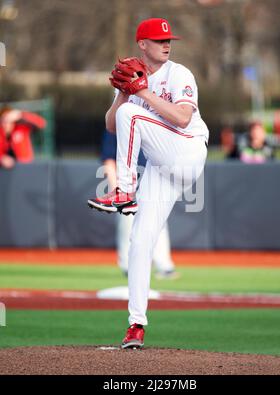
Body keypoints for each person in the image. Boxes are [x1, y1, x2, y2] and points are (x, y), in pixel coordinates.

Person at [88, 18, 209, 349]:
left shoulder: (179, 74)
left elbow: (183, 118)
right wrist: (122, 96)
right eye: (158, 40)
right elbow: (111, 125)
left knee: (133, 114)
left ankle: (124, 191)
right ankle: (136, 325)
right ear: (142, 44)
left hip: (187, 151)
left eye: (169, 39)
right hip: (159, 166)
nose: (166, 44)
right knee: (140, 241)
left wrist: (139, 94)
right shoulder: (131, 73)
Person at [101, 129, 178, 279]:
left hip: (153, 179)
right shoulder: (116, 125)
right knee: (128, 225)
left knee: (159, 222)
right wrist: (116, 188)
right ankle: (129, 266)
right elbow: (109, 159)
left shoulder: (152, 122)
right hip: (127, 183)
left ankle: (164, 266)